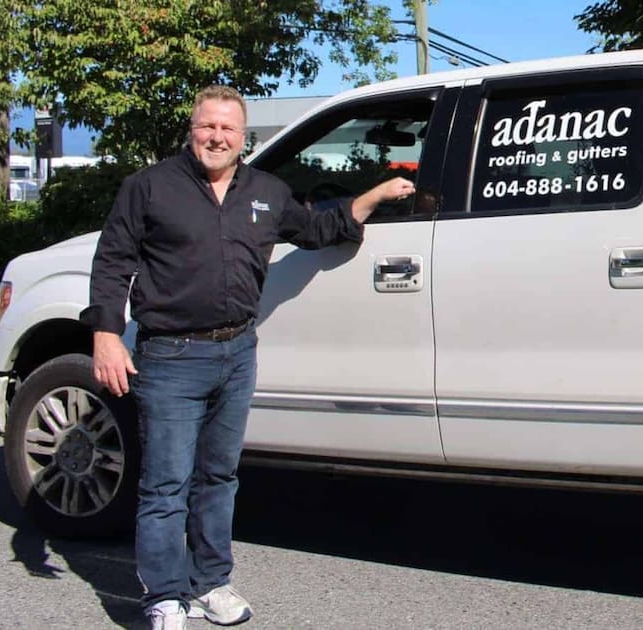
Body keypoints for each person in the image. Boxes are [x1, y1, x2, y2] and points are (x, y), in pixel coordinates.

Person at [79, 85, 414, 630]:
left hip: (238, 351)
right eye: (206, 127)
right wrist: (106, 335)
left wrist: (370, 198)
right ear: (192, 130)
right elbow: (112, 262)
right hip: (170, 355)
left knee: (219, 476)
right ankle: (165, 596)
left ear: (243, 137)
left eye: (227, 129)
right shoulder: (149, 188)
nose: (216, 137)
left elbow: (315, 230)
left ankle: (210, 582)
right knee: (166, 484)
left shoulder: (266, 190)